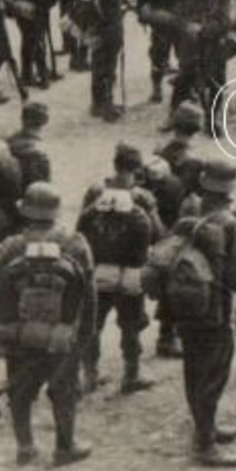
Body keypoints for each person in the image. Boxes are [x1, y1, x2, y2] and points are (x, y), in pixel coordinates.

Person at [0, 182, 95, 467]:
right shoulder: (75, 243)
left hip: (19, 331)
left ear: (26, 212)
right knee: (64, 388)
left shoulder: (12, 246)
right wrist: (84, 333)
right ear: (55, 213)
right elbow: (88, 292)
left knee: (20, 388)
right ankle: (65, 446)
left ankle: (26, 446)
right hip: (62, 333)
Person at [158, 159, 236, 467]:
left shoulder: (190, 214)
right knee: (213, 375)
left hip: (186, 308)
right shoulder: (231, 224)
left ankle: (205, 428)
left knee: (194, 370)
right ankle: (205, 444)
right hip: (219, 310)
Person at [77, 143, 163, 396]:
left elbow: (80, 229)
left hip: (99, 270)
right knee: (131, 325)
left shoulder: (95, 192)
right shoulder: (142, 198)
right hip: (131, 273)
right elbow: (157, 234)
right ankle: (131, 374)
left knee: (93, 324)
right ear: (137, 169)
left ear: (115, 164)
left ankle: (90, 374)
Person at [85, 0, 129, 121]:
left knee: (97, 65)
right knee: (108, 68)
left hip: (94, 26)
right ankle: (107, 107)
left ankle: (96, 103)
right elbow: (114, 11)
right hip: (110, 29)